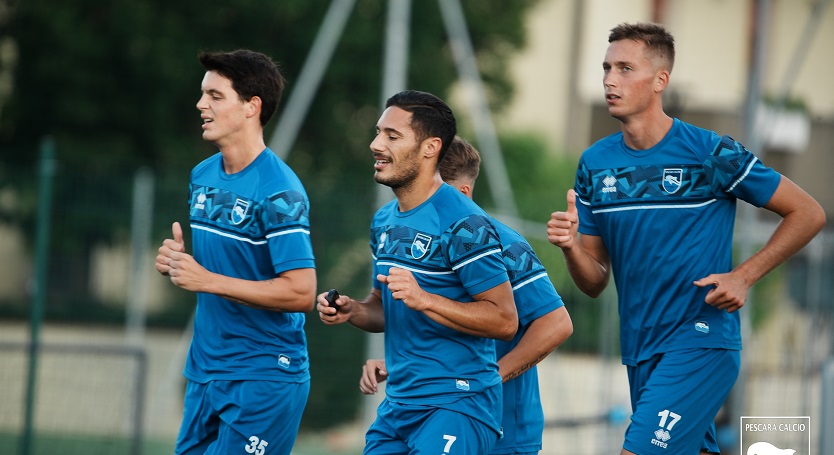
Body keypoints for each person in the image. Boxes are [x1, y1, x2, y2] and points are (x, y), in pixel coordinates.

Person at [547, 22, 826, 455]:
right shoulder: (594, 163)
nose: (609, 80)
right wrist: (571, 247)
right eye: (606, 68)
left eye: (625, 69)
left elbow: (808, 212)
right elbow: (595, 280)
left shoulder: (711, 152)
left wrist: (743, 276)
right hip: (641, 349)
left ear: (660, 80)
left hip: (700, 340)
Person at [317, 90, 519, 454]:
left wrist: (426, 299)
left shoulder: (464, 222)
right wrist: (354, 310)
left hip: (457, 404)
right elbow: (383, 307)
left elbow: (504, 320)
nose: (376, 144)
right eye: (378, 133)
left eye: (392, 136)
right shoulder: (384, 220)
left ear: (430, 148)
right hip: (398, 406)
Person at [359, 136, 574, 455]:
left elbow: (556, 324)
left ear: (461, 193)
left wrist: (486, 378)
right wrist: (409, 364)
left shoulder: (503, 242)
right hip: (433, 411)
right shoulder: (408, 235)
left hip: (502, 428)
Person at [155, 49, 317, 455]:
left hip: (264, 376)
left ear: (251, 107)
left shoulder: (280, 191)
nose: (201, 104)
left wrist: (207, 280)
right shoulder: (202, 175)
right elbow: (220, 269)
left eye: (215, 95)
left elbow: (301, 292)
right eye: (203, 94)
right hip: (206, 370)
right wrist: (177, 262)